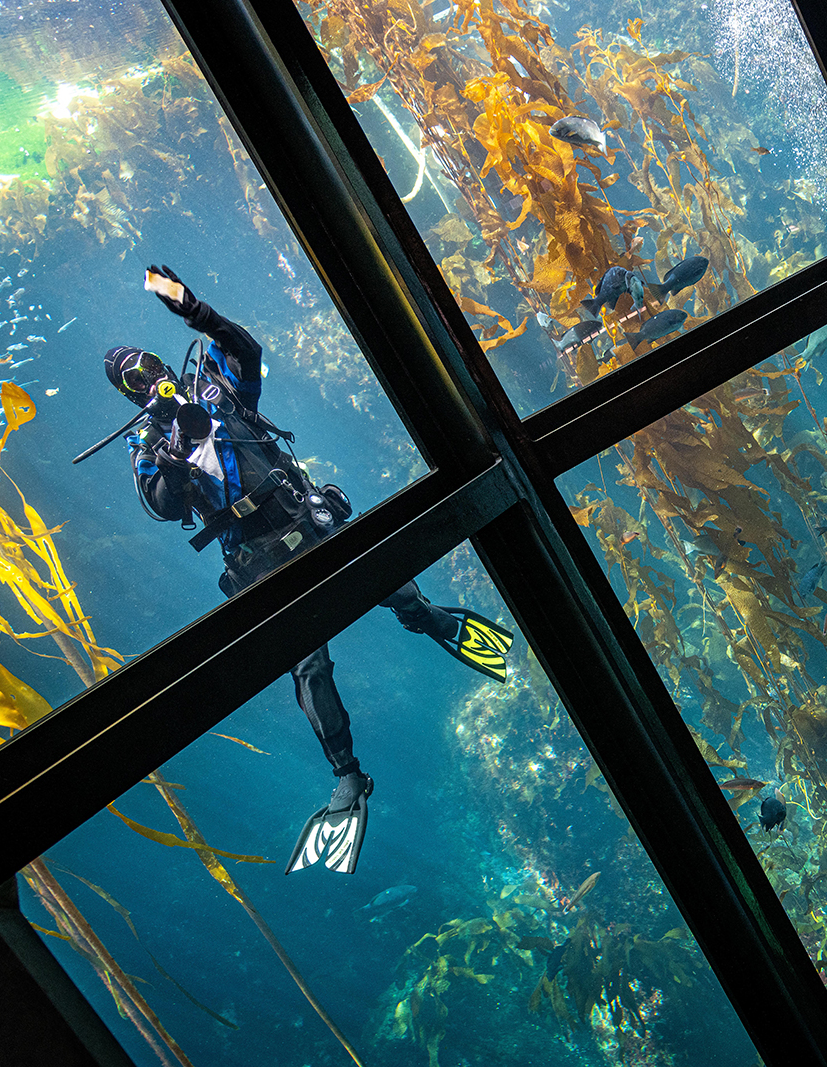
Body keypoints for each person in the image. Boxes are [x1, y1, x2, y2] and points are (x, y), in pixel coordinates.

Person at [99, 265, 518, 875]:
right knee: (309, 666)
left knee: (394, 589)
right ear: (130, 395)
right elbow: (162, 506)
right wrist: (174, 456)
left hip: (306, 520)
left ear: (160, 362)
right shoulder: (147, 445)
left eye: (146, 365)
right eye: (133, 380)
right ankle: (347, 776)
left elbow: (247, 352)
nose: (147, 378)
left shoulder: (214, 388)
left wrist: (196, 311)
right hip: (260, 563)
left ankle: (431, 619)